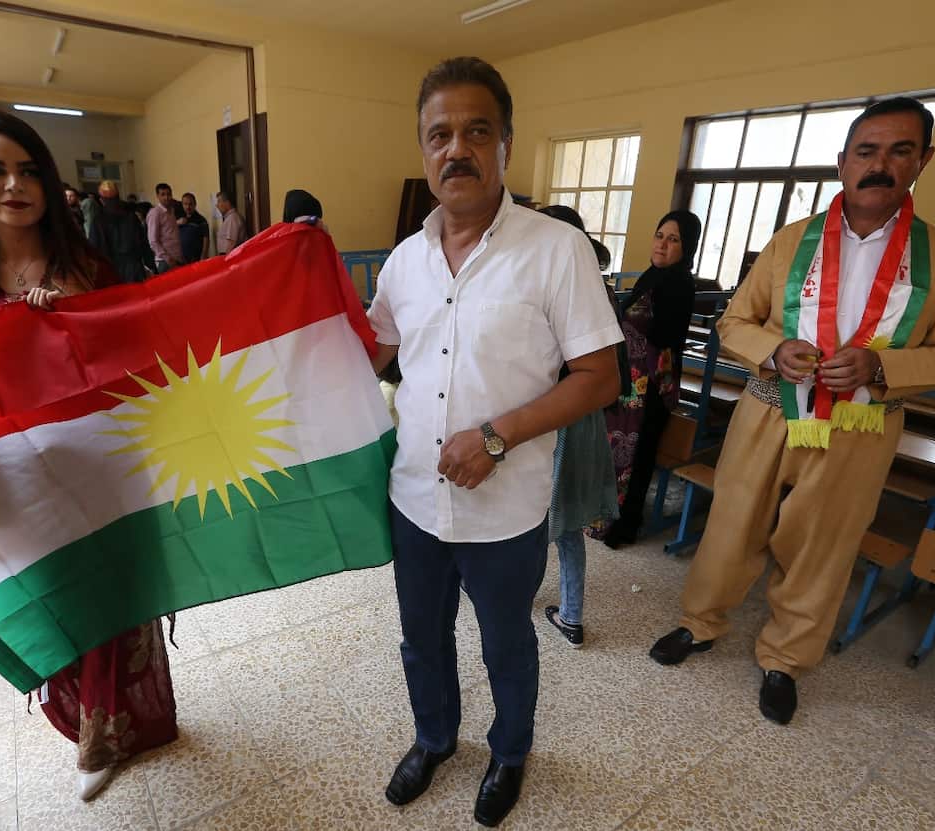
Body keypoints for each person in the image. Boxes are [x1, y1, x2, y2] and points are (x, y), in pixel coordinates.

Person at [648, 97, 935, 725]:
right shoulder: (790, 241)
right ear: (843, 163)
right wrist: (775, 349)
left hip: (861, 423)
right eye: (866, 151)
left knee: (823, 545)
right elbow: (734, 321)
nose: (880, 164)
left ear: (923, 160)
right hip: (770, 408)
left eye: (899, 150)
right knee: (733, 525)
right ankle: (700, 623)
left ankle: (785, 659)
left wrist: (883, 366)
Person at [367, 57, 622, 828]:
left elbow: (600, 376)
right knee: (420, 639)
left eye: (477, 130)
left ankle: (510, 751)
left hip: (507, 509)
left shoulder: (555, 249)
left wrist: (497, 435)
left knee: (505, 642)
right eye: (439, 133)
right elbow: (372, 351)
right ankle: (434, 737)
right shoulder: (404, 261)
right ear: (423, 150)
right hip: (414, 497)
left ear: (506, 143)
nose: (458, 148)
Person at [0, 109, 178, 799]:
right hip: (16, 480)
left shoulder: (85, 262)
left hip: (100, 466)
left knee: (114, 604)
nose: (14, 184)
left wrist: (77, 318)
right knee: (62, 606)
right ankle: (84, 718)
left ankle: (112, 733)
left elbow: (134, 355)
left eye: (29, 169)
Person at [535, 205, 625, 648]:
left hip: (552, 416)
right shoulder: (600, 290)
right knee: (565, 521)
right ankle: (570, 615)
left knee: (532, 515)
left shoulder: (554, 288)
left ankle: (521, 598)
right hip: (584, 419)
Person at [599, 210, 701, 548]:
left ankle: (623, 526)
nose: (663, 244)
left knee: (638, 456)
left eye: (673, 240)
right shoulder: (653, 276)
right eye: (660, 236)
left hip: (651, 385)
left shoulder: (679, 282)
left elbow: (666, 335)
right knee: (619, 451)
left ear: (686, 248)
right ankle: (607, 517)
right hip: (631, 380)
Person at [89, 179, 151, 284]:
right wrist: (150, 266)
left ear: (101, 200)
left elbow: (94, 249)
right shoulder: (131, 216)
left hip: (112, 271)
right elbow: (143, 244)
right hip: (133, 269)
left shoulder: (98, 220)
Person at [145, 182, 183, 273]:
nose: (166, 197)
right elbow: (153, 241)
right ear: (157, 196)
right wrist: (167, 258)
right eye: (163, 194)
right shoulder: (155, 213)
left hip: (177, 257)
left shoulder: (171, 211)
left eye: (168, 194)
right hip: (165, 261)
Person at [177, 192, 210, 263]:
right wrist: (177, 223)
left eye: (190, 204)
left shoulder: (201, 220)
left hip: (196, 258)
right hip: (182, 259)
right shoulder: (179, 219)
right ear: (182, 205)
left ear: (195, 205)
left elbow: (206, 239)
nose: (188, 207)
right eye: (185, 204)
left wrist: (203, 255)